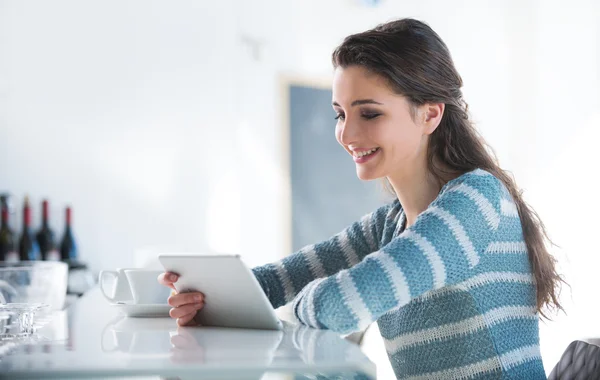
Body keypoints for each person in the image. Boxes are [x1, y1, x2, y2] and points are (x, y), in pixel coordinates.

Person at [158, 18, 564, 379]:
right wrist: (200, 296)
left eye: (368, 113)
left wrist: (277, 315)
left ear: (430, 114)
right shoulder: (388, 225)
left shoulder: (478, 200)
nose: (347, 135)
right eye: (340, 114)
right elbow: (274, 282)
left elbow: (340, 306)